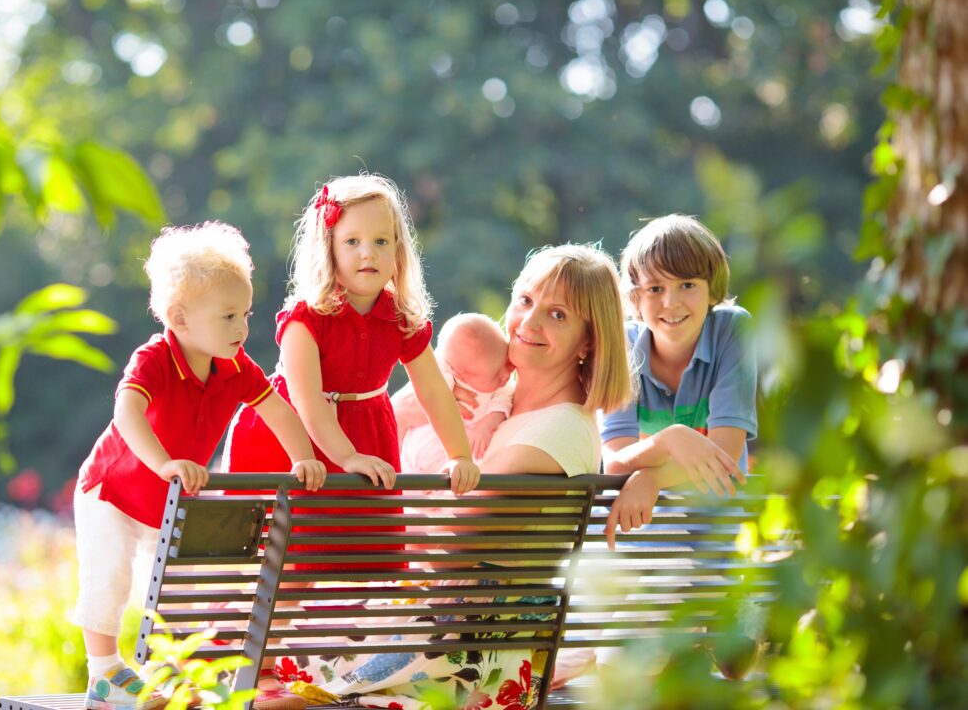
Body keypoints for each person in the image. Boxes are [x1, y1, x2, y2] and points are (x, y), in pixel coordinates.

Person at [275, 243, 741, 709]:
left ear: (590, 340)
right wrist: (399, 410)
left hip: (466, 654)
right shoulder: (491, 397)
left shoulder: (555, 430)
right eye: (524, 300)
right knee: (271, 653)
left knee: (268, 654)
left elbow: (446, 539)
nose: (529, 322)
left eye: (557, 315)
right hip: (443, 634)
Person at [72, 222, 326, 710]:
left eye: (246, 314)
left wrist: (304, 458)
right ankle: (102, 675)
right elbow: (126, 412)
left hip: (164, 502)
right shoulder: (157, 358)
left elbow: (274, 408)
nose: (242, 329)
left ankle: (163, 675)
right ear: (179, 318)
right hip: (112, 492)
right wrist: (164, 462)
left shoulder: (233, 366)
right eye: (229, 316)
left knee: (176, 588)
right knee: (110, 578)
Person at [223, 174, 480, 573]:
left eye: (381, 241)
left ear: (398, 249)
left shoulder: (399, 318)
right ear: (328, 248)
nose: (368, 254)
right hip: (294, 439)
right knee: (293, 565)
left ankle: (341, 632)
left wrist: (459, 454)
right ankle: (263, 630)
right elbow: (307, 401)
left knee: (366, 559)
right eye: (352, 242)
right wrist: (347, 456)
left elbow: (433, 390)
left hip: (367, 434)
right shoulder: (305, 320)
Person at [601, 214, 756, 549]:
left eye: (687, 285)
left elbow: (724, 456)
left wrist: (652, 476)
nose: (671, 302)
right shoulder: (622, 344)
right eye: (655, 288)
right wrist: (671, 440)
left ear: (711, 289)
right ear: (636, 298)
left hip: (715, 532)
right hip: (644, 527)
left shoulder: (732, 330)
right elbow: (614, 461)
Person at [392, 312, 515, 471]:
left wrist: (487, 425)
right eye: (496, 375)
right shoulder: (442, 374)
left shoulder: (501, 386)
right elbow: (429, 393)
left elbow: (502, 404)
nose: (506, 375)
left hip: (459, 458)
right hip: (418, 448)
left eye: (506, 363)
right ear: (460, 375)